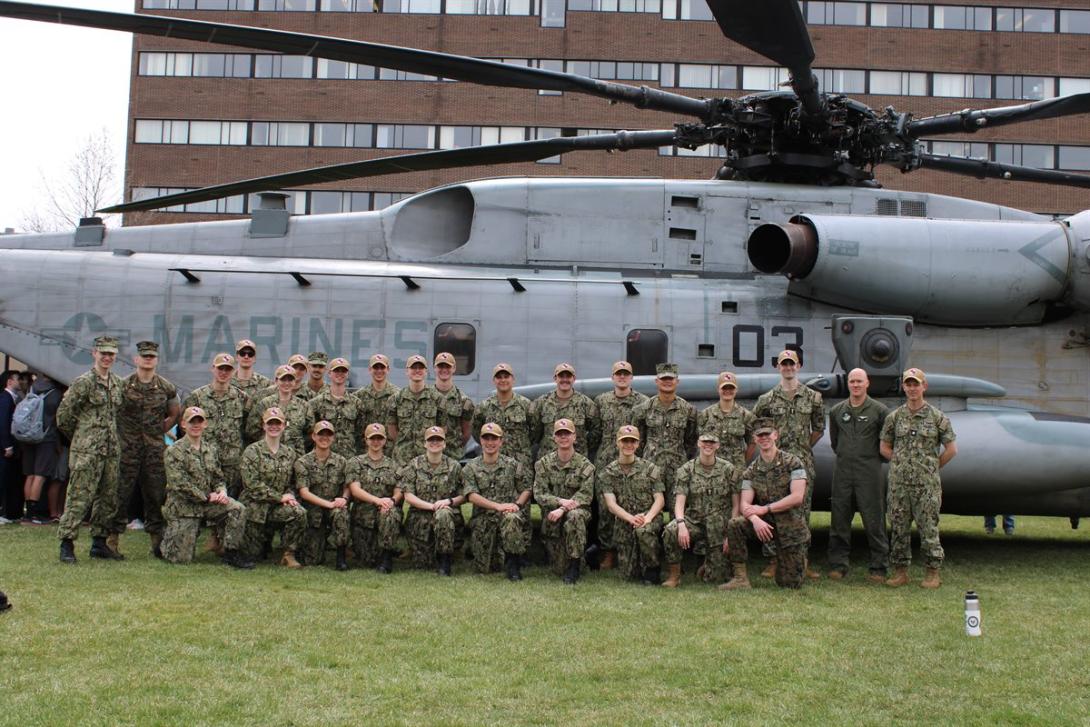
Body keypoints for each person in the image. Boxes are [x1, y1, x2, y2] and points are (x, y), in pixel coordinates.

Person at [880, 368, 957, 589]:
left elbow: (951, 449)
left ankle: (932, 572)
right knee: (898, 528)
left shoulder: (937, 417)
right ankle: (900, 571)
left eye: (916, 384)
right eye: (908, 384)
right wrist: (900, 462)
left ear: (924, 386)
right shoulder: (895, 417)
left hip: (926, 485)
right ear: (904, 387)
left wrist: (932, 467)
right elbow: (884, 446)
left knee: (928, 528)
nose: (912, 388)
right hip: (899, 485)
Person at [754, 349, 825, 580]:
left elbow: (818, 429)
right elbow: (756, 427)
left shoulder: (813, 398)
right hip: (774, 465)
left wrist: (802, 447)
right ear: (778, 367)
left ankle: (802, 560)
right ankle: (774, 560)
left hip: (802, 464)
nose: (788, 367)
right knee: (772, 511)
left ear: (798, 366)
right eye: (784, 364)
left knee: (801, 514)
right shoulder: (766, 400)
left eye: (791, 363)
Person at [55, 336, 125, 564]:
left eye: (111, 354)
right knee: (78, 497)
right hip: (87, 452)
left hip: (110, 451)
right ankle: (67, 543)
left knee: (107, 498)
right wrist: (81, 438)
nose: (107, 357)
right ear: (94, 353)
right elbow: (63, 416)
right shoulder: (84, 382)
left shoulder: (116, 383)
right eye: (103, 353)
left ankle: (99, 542)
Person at [720, 418, 810, 590]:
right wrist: (755, 519)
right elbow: (744, 505)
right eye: (759, 435)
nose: (764, 438)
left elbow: (797, 497)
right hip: (764, 523)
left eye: (767, 434)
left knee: (789, 584)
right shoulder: (751, 472)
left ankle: (795, 561)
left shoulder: (793, 462)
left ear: (775, 435)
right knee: (735, 524)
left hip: (790, 525)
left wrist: (765, 508)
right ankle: (740, 579)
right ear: (755, 439)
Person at [160, 406, 253, 568]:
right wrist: (207, 496)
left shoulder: (210, 449)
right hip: (184, 506)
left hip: (208, 503)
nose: (196, 425)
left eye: (199, 421)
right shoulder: (174, 451)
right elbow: (179, 484)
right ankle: (167, 541)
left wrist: (221, 491)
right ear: (183, 424)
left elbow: (217, 476)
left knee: (237, 509)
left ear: (205, 424)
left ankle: (231, 552)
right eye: (191, 422)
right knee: (180, 559)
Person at [112, 341, 180, 559]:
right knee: (120, 495)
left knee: (155, 495)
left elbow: (174, 412)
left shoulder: (166, 387)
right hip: (128, 449)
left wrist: (159, 430)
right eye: (144, 356)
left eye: (152, 357)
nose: (148, 360)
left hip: (153, 450)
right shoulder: (123, 386)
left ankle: (157, 543)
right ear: (136, 360)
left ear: (156, 360)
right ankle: (111, 541)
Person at [826, 368, 890, 582]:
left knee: (874, 520)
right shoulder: (836, 411)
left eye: (859, 381)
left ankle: (878, 567)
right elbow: (835, 443)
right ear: (848, 384)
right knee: (839, 520)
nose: (855, 385)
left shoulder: (880, 411)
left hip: (869, 471)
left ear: (867, 383)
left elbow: (886, 444)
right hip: (843, 470)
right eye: (852, 381)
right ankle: (838, 564)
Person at [662, 432, 737, 588]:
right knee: (671, 530)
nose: (708, 445)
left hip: (719, 524)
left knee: (716, 579)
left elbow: (736, 504)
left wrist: (731, 533)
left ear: (718, 445)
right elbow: (680, 501)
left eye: (712, 442)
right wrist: (681, 524)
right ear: (698, 443)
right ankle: (674, 575)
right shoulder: (686, 469)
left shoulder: (728, 469)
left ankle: (707, 566)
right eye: (704, 442)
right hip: (694, 521)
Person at [592, 360, 648, 570]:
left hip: (633, 462)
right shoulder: (601, 401)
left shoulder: (643, 402)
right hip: (606, 461)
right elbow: (596, 431)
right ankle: (608, 552)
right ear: (613, 377)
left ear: (631, 377)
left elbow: (645, 432)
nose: (622, 377)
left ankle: (633, 550)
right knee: (606, 508)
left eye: (626, 374)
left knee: (632, 504)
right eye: (618, 374)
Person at [462, 422, 531, 581]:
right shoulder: (471, 467)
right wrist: (497, 506)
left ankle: (513, 564)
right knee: (484, 568)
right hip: (483, 519)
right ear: (480, 440)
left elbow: (526, 488)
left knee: (512, 519)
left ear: (501, 441)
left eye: (494, 438)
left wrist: (517, 505)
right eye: (486, 438)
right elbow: (471, 495)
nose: (490, 442)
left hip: (506, 516)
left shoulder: (512, 465)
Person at [239, 407, 306, 568]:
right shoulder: (252, 451)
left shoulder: (290, 453)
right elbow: (251, 485)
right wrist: (279, 497)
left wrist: (289, 497)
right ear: (263, 426)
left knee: (299, 513)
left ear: (284, 426)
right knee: (253, 556)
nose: (274, 427)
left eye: (278, 423)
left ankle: (287, 554)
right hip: (255, 508)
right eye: (270, 423)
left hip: (278, 508)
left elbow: (292, 482)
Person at [598, 425, 665, 585]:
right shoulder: (607, 472)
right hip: (624, 520)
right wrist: (630, 518)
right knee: (628, 574)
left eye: (632, 441)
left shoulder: (650, 469)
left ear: (638, 444)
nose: (628, 445)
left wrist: (647, 518)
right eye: (625, 441)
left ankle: (653, 570)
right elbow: (611, 504)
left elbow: (660, 499)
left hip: (649, 517)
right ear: (617, 443)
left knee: (644, 532)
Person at [533, 418, 594, 584]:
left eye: (567, 434)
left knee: (574, 516)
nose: (563, 437)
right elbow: (539, 493)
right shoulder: (543, 464)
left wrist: (564, 509)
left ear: (575, 437)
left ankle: (574, 565)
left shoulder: (585, 465)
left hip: (577, 513)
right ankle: (582, 555)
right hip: (552, 517)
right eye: (560, 434)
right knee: (558, 567)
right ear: (554, 438)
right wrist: (559, 502)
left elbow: (586, 495)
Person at [401, 425, 464, 575]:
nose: (434, 443)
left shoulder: (454, 466)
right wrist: (432, 506)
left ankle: (445, 560)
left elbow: (464, 495)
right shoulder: (414, 465)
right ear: (424, 443)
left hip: (447, 518)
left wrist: (448, 502)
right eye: (431, 440)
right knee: (423, 563)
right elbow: (408, 495)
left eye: (438, 440)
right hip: (420, 519)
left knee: (443, 514)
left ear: (444, 443)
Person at [183, 353, 247, 496]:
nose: (223, 373)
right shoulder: (197, 397)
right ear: (213, 369)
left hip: (232, 464)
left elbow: (247, 428)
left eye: (228, 369)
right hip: (204, 462)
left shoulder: (241, 397)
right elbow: (185, 429)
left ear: (234, 371)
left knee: (230, 504)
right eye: (220, 368)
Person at [634, 362, 697, 507]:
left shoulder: (688, 410)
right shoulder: (643, 409)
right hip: (651, 468)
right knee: (650, 510)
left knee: (678, 512)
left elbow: (691, 441)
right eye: (663, 379)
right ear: (657, 381)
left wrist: (682, 460)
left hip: (678, 470)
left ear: (677, 381)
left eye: (671, 378)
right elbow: (638, 441)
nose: (667, 382)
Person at [347, 423, 402, 573]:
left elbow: (399, 490)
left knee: (390, 514)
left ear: (385, 441)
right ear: (366, 440)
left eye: (379, 438)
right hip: (363, 516)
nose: (376, 442)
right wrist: (377, 500)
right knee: (367, 560)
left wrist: (392, 501)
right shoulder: (355, 463)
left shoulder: (394, 465)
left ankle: (387, 557)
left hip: (385, 512)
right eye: (372, 438)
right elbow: (355, 490)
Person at [295, 420, 350, 570]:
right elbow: (304, 492)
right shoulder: (303, 462)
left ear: (333, 438)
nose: (324, 438)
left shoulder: (342, 462)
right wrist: (328, 504)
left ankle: (341, 556)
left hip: (334, 507)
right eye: (321, 434)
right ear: (313, 436)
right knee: (313, 560)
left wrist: (344, 498)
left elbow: (347, 486)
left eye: (328, 435)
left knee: (342, 513)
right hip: (313, 511)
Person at [529, 363, 600, 460]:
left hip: (577, 462)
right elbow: (535, 432)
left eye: (568, 376)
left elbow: (596, 431)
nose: (565, 379)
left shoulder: (586, 403)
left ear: (574, 378)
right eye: (561, 376)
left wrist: (580, 444)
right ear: (555, 378)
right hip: (548, 462)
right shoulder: (542, 403)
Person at [19, 373, 63, 523]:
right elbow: (59, 420)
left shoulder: (32, 389)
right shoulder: (56, 394)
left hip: (28, 436)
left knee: (30, 475)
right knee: (40, 475)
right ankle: (34, 512)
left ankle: (28, 513)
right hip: (46, 437)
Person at [386, 354, 440, 464]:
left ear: (426, 371)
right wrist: (404, 444)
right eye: (413, 368)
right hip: (402, 460)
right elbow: (392, 430)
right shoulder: (396, 399)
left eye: (420, 368)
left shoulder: (437, 399)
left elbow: (442, 428)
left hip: (428, 458)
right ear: (407, 371)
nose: (417, 371)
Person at [697, 371, 756, 470]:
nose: (727, 391)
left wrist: (742, 462)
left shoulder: (746, 416)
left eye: (731, 388)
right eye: (724, 388)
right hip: (712, 470)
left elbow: (753, 442)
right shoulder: (706, 415)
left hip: (735, 471)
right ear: (718, 389)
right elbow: (698, 440)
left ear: (736, 390)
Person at [306, 357, 363, 459]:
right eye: (336, 370)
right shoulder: (316, 403)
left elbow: (360, 434)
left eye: (343, 371)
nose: (340, 374)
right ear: (329, 373)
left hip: (349, 458)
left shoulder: (357, 403)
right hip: (323, 458)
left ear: (348, 374)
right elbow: (310, 433)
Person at [247, 365, 309, 453]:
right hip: (269, 455)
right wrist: (269, 438)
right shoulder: (265, 404)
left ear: (295, 382)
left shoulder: (304, 406)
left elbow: (310, 432)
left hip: (295, 455)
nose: (286, 383)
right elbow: (252, 429)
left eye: (290, 380)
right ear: (276, 381)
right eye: (283, 379)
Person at [352, 354, 399, 458]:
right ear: (369, 369)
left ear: (388, 369)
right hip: (365, 453)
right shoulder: (359, 397)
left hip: (390, 453)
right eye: (375, 367)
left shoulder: (398, 396)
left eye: (382, 367)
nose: (379, 371)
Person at [432, 351, 474, 461]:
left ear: (454, 368)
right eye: (440, 366)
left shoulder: (464, 401)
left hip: (454, 458)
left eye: (448, 366)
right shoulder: (426, 397)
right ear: (434, 368)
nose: (444, 369)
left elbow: (466, 433)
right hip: (429, 457)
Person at [0, 370, 22, 523]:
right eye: (17, 379)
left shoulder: (12, 399)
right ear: (9, 381)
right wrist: (7, 445)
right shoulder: (5, 399)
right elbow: (2, 423)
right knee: (3, 478)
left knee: (9, 478)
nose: (20, 382)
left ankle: (9, 512)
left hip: (10, 446)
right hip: (4, 447)